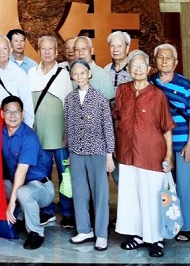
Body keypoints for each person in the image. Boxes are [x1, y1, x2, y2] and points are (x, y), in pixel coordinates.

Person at [113, 50, 175, 258]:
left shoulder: (157, 95)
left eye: (142, 66)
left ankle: (156, 239)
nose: (138, 69)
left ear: (149, 69)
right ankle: (138, 235)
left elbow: (166, 127)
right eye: (134, 65)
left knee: (152, 197)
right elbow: (117, 118)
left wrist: (168, 155)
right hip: (127, 153)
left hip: (151, 155)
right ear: (128, 69)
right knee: (131, 197)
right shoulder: (122, 90)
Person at [63, 59, 115, 252]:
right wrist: (70, 150)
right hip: (76, 151)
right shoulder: (69, 98)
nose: (79, 77)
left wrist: (109, 155)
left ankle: (101, 234)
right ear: (72, 76)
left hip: (97, 151)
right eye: (75, 73)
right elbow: (68, 126)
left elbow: (108, 127)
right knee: (79, 193)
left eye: (82, 73)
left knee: (100, 193)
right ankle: (84, 230)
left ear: (89, 74)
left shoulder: (100, 98)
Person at [150, 43, 190, 243]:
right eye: (160, 57)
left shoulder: (185, 84)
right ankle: (160, 222)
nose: (164, 61)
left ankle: (186, 226)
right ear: (155, 61)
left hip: (181, 142)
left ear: (176, 62)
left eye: (168, 58)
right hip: (155, 143)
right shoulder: (149, 82)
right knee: (158, 185)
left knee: (184, 184)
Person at [27, 35, 75, 229]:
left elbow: (69, 105)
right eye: (43, 49)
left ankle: (67, 212)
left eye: (51, 49)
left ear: (56, 52)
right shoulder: (31, 73)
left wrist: (68, 133)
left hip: (60, 134)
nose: (47, 52)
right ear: (38, 51)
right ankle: (46, 211)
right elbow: (28, 105)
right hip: (39, 134)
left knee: (66, 175)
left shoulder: (63, 74)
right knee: (42, 174)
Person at [1, 95, 54, 250]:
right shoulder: (1, 133)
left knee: (23, 192)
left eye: (17, 111)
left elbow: (21, 172)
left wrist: (11, 203)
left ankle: (36, 232)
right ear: (2, 114)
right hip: (20, 184)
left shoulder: (28, 136)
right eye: (8, 111)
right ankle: (17, 218)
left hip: (41, 188)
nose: (12, 116)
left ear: (22, 114)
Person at [0, 35, 34, 126]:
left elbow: (27, 103)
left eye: (5, 48)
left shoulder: (19, 73)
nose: (1, 52)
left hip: (14, 123)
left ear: (10, 50)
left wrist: (28, 127)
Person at [72, 36, 113, 100]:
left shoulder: (103, 75)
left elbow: (109, 102)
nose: (80, 53)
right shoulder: (71, 74)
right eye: (77, 49)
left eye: (84, 49)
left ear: (91, 51)